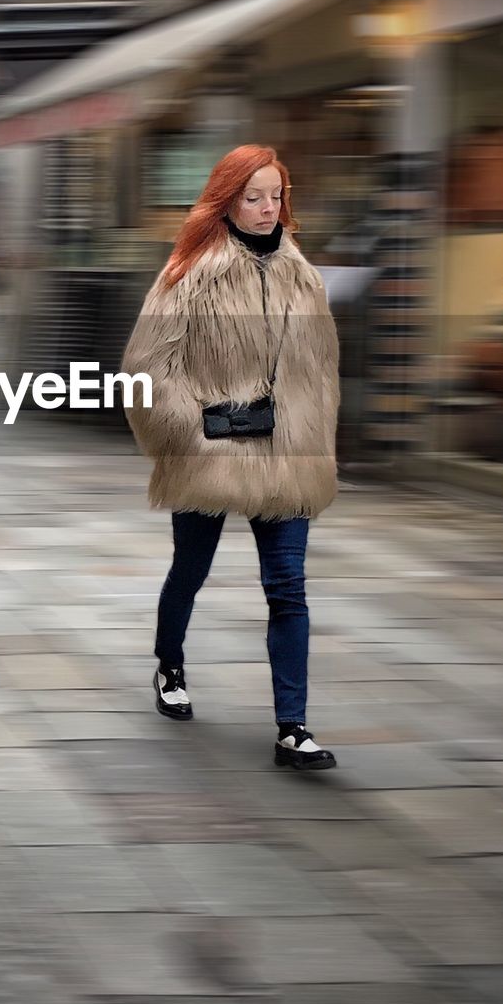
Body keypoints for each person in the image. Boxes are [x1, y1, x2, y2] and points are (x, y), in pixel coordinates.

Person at [121, 145, 341, 771]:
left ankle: (292, 728)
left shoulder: (304, 275)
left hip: (286, 453)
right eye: (254, 196)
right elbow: (145, 367)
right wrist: (187, 436)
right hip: (210, 448)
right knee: (190, 569)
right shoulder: (191, 271)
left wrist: (316, 443)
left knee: (288, 588)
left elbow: (321, 372)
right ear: (226, 199)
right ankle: (170, 664)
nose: (269, 207)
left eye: (277, 195)